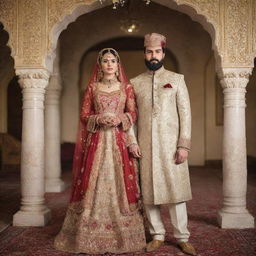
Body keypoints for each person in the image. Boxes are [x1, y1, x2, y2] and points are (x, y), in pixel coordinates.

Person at [54, 48, 146, 254]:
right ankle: (88, 231)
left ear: (118, 64)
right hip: (97, 141)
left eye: (113, 61)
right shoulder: (93, 88)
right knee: (92, 182)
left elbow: (133, 112)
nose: (110, 64)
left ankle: (124, 230)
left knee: (119, 180)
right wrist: (99, 118)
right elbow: (85, 114)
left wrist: (120, 119)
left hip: (119, 141)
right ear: (100, 64)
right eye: (105, 61)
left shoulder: (126, 88)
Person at [130, 33, 197, 256]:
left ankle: (182, 237)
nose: (153, 55)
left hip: (171, 147)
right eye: (149, 51)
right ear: (145, 53)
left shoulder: (177, 79)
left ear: (163, 53)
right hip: (145, 146)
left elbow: (185, 115)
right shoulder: (135, 83)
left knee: (176, 192)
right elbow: (131, 117)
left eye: (157, 51)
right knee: (149, 192)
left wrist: (183, 145)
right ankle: (157, 234)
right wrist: (132, 142)